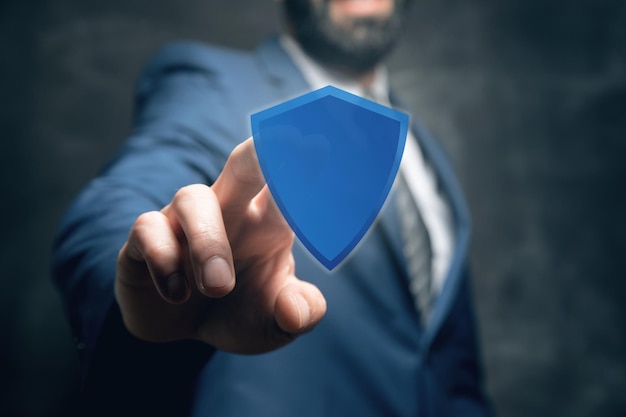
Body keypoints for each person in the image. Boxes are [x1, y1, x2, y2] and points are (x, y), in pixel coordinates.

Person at [53, 0, 492, 416]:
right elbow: (119, 200)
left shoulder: (424, 150)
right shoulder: (210, 84)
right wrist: (146, 282)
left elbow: (450, 366)